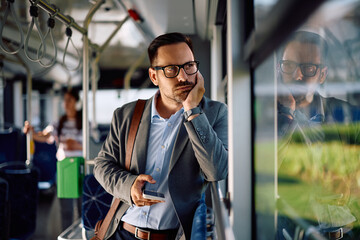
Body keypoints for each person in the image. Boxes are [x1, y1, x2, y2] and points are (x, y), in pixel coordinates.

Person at [94, 32, 228, 240]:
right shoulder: (127, 115)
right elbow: (102, 164)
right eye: (172, 69)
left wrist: (192, 109)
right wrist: (129, 186)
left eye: (189, 66)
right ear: (154, 76)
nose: (183, 77)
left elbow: (217, 171)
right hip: (122, 232)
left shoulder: (215, 113)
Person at [276, 31, 360, 239]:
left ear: (322, 74)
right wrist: (286, 113)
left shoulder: (347, 116)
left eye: (308, 68)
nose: (297, 76)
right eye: (289, 66)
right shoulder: (266, 120)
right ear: (279, 69)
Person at [23, 88, 83, 231]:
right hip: (65, 168)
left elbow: (93, 144)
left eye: (70, 100)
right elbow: (45, 135)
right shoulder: (59, 123)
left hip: (80, 168)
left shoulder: (84, 122)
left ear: (76, 102)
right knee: (66, 209)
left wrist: (76, 145)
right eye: (65, 100)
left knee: (82, 208)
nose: (66, 103)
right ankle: (66, 234)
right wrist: (31, 132)